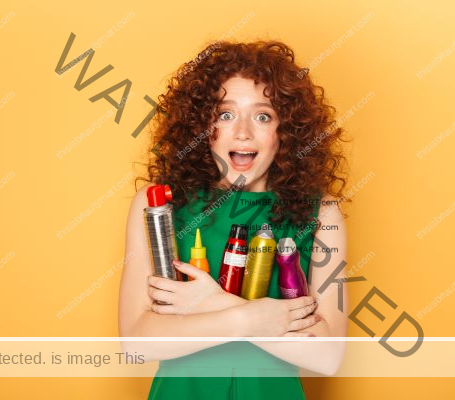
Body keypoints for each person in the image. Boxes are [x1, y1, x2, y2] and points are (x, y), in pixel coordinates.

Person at [119, 40, 349, 399]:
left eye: (263, 116)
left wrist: (212, 302)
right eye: (225, 115)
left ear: (285, 131)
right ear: (201, 127)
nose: (242, 132)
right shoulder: (158, 206)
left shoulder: (321, 213)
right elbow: (137, 344)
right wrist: (248, 320)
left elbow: (328, 355)